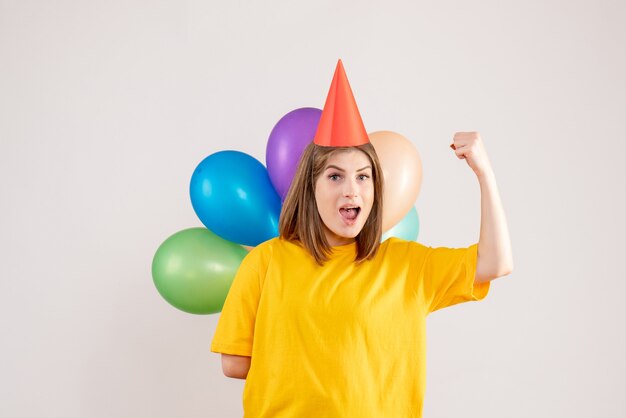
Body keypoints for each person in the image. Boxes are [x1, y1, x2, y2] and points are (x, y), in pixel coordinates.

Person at [210, 60, 513, 417]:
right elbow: (233, 363)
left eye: (363, 177)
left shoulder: (407, 265)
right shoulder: (265, 261)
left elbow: (496, 263)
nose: (351, 190)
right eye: (335, 177)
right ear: (311, 188)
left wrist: (485, 173)